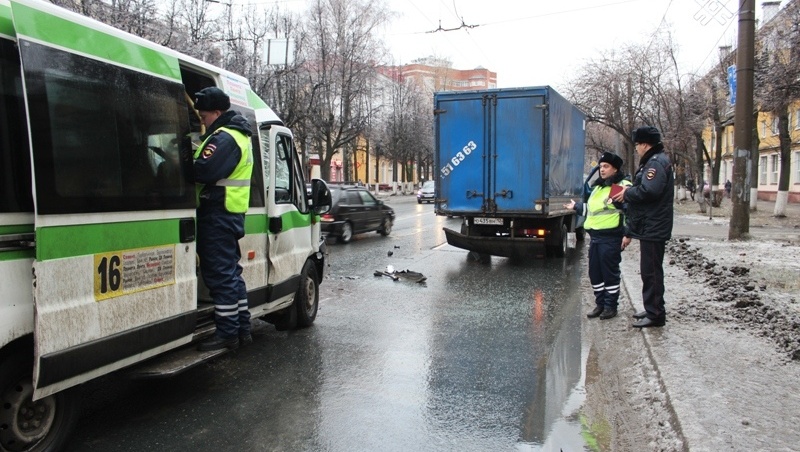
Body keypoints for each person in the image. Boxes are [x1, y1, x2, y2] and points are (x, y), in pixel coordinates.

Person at [191, 86, 255, 351]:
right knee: (231, 275)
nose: (203, 121)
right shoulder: (236, 135)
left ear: (217, 113)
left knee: (221, 276)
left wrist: (184, 160)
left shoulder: (225, 137)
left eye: (204, 116)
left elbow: (204, 171)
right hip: (227, 213)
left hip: (218, 214)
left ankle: (227, 333)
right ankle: (242, 329)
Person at [611, 126, 674, 328]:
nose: (636, 148)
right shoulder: (654, 161)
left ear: (645, 145)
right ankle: (652, 308)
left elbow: (650, 191)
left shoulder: (655, 163)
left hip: (654, 225)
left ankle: (656, 314)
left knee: (651, 272)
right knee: (649, 270)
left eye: (637, 144)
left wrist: (627, 193)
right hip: (651, 224)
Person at [564, 152, 631, 320]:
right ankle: (600, 304)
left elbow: (630, 212)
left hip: (610, 238)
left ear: (615, 169)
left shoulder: (618, 186)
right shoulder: (599, 187)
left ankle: (610, 306)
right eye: (600, 166)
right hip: (595, 237)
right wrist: (577, 206)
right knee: (595, 273)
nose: (602, 170)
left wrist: (628, 234)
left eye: (606, 166)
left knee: (610, 274)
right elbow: (593, 210)